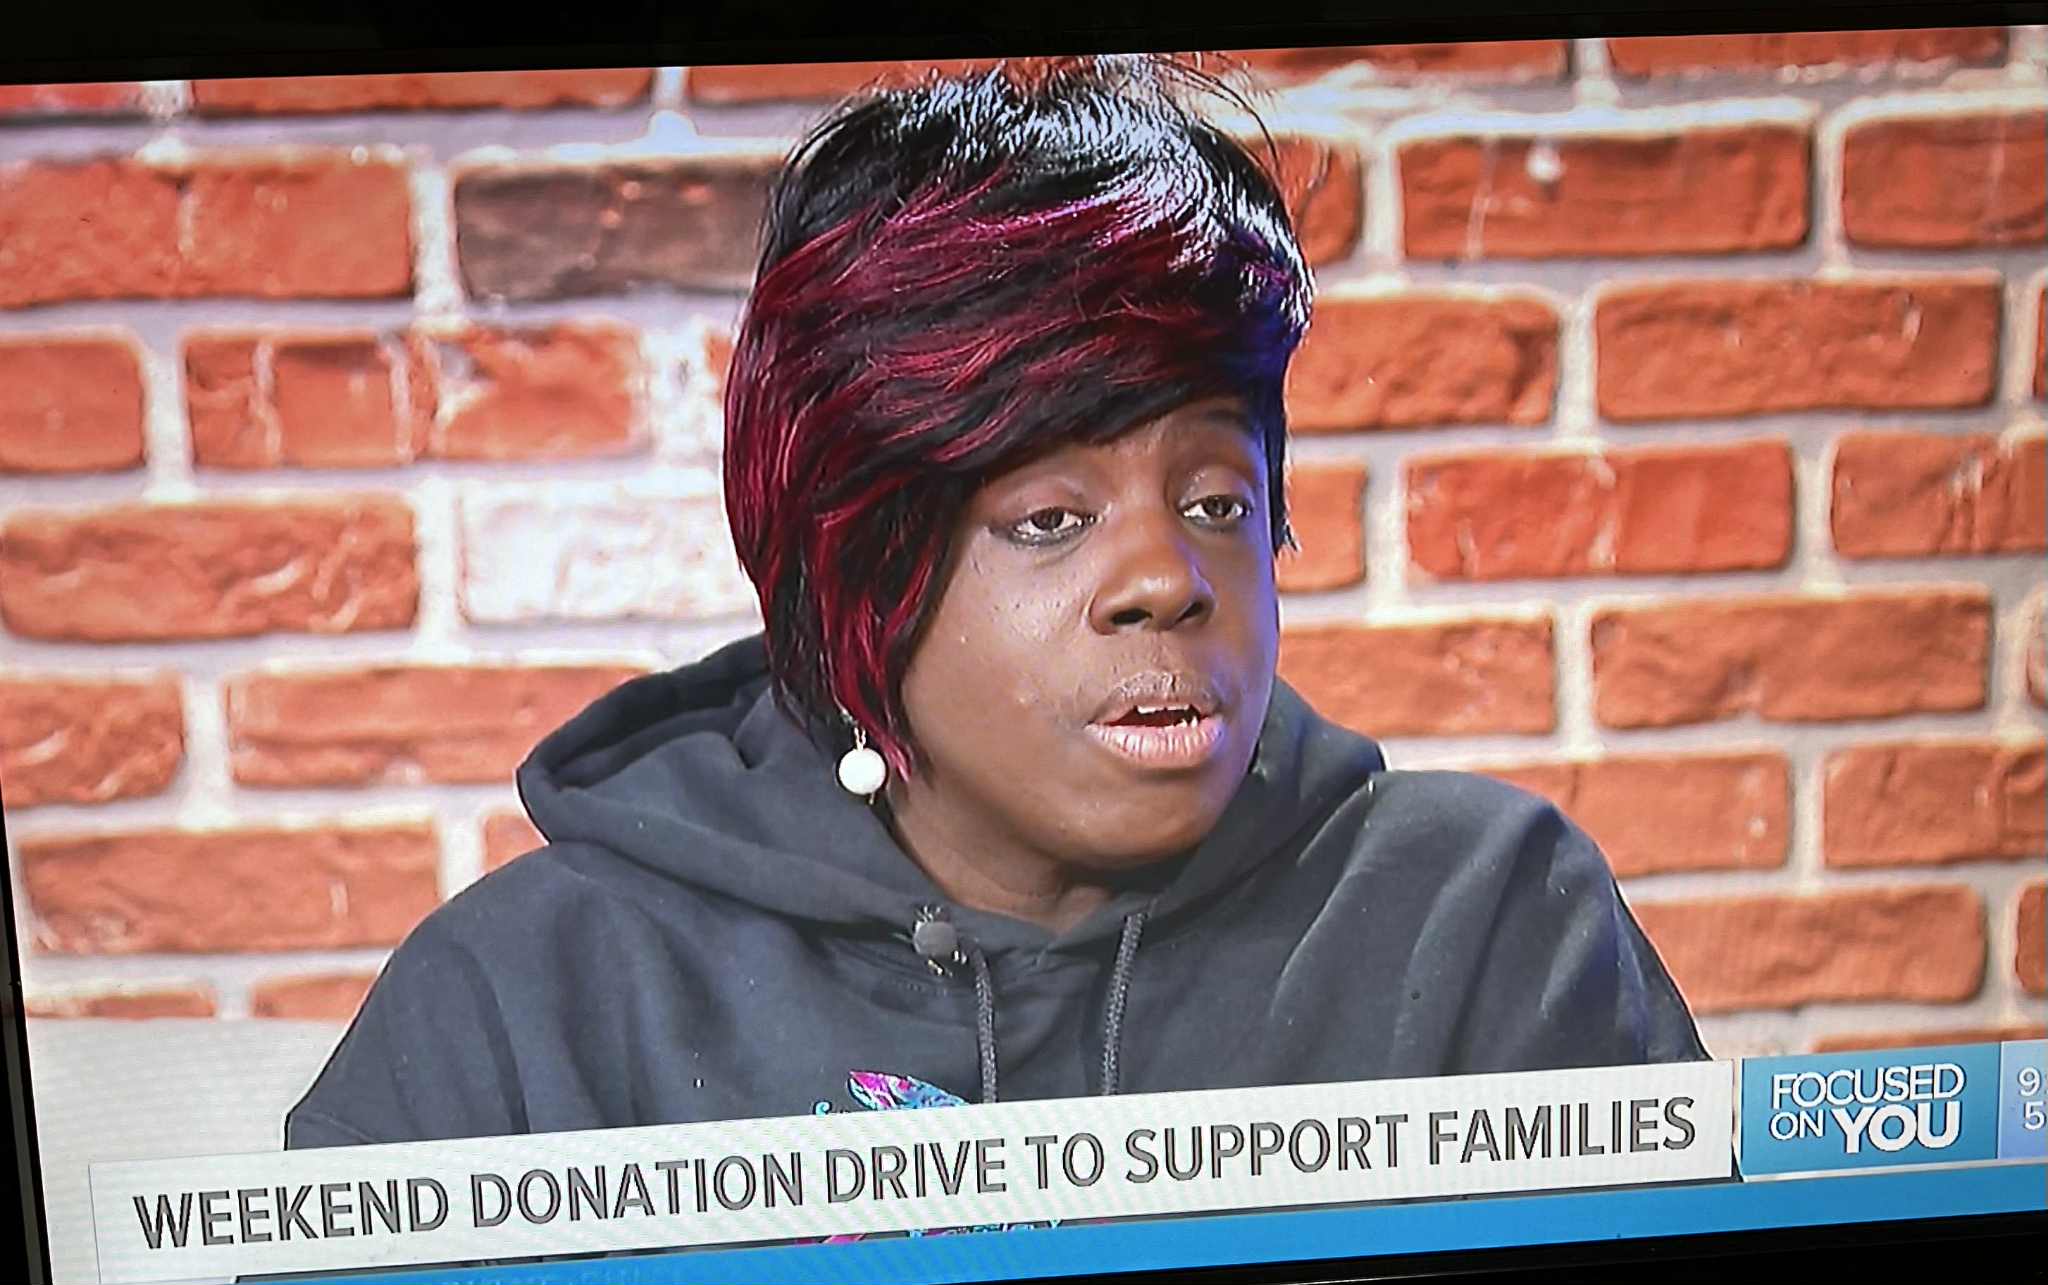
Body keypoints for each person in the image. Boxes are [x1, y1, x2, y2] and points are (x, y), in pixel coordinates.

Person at [285, 54, 1704, 1152]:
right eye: (1050, 520)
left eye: (1215, 501)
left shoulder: (1491, 924)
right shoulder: (532, 1001)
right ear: (859, 571)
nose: (1166, 582)